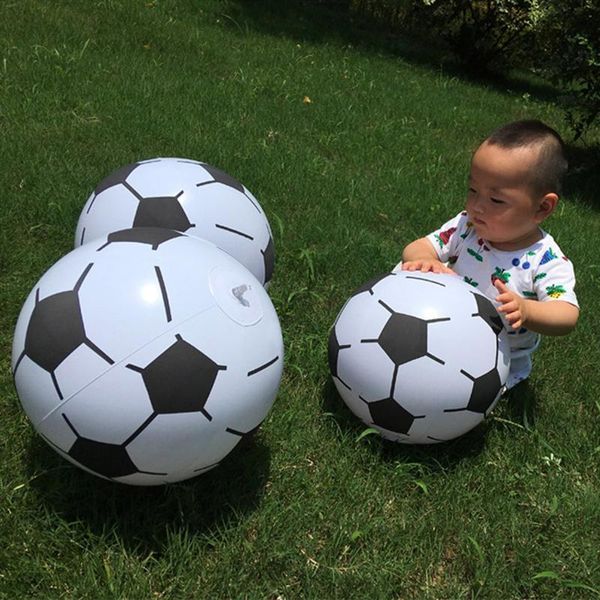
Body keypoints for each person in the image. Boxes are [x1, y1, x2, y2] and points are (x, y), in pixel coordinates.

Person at [396, 120, 579, 389]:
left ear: (542, 208)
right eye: (473, 191)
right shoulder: (466, 226)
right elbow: (417, 247)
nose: (477, 206)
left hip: (494, 361)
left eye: (496, 200)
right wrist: (427, 259)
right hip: (442, 329)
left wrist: (527, 309)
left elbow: (566, 314)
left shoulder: (545, 261)